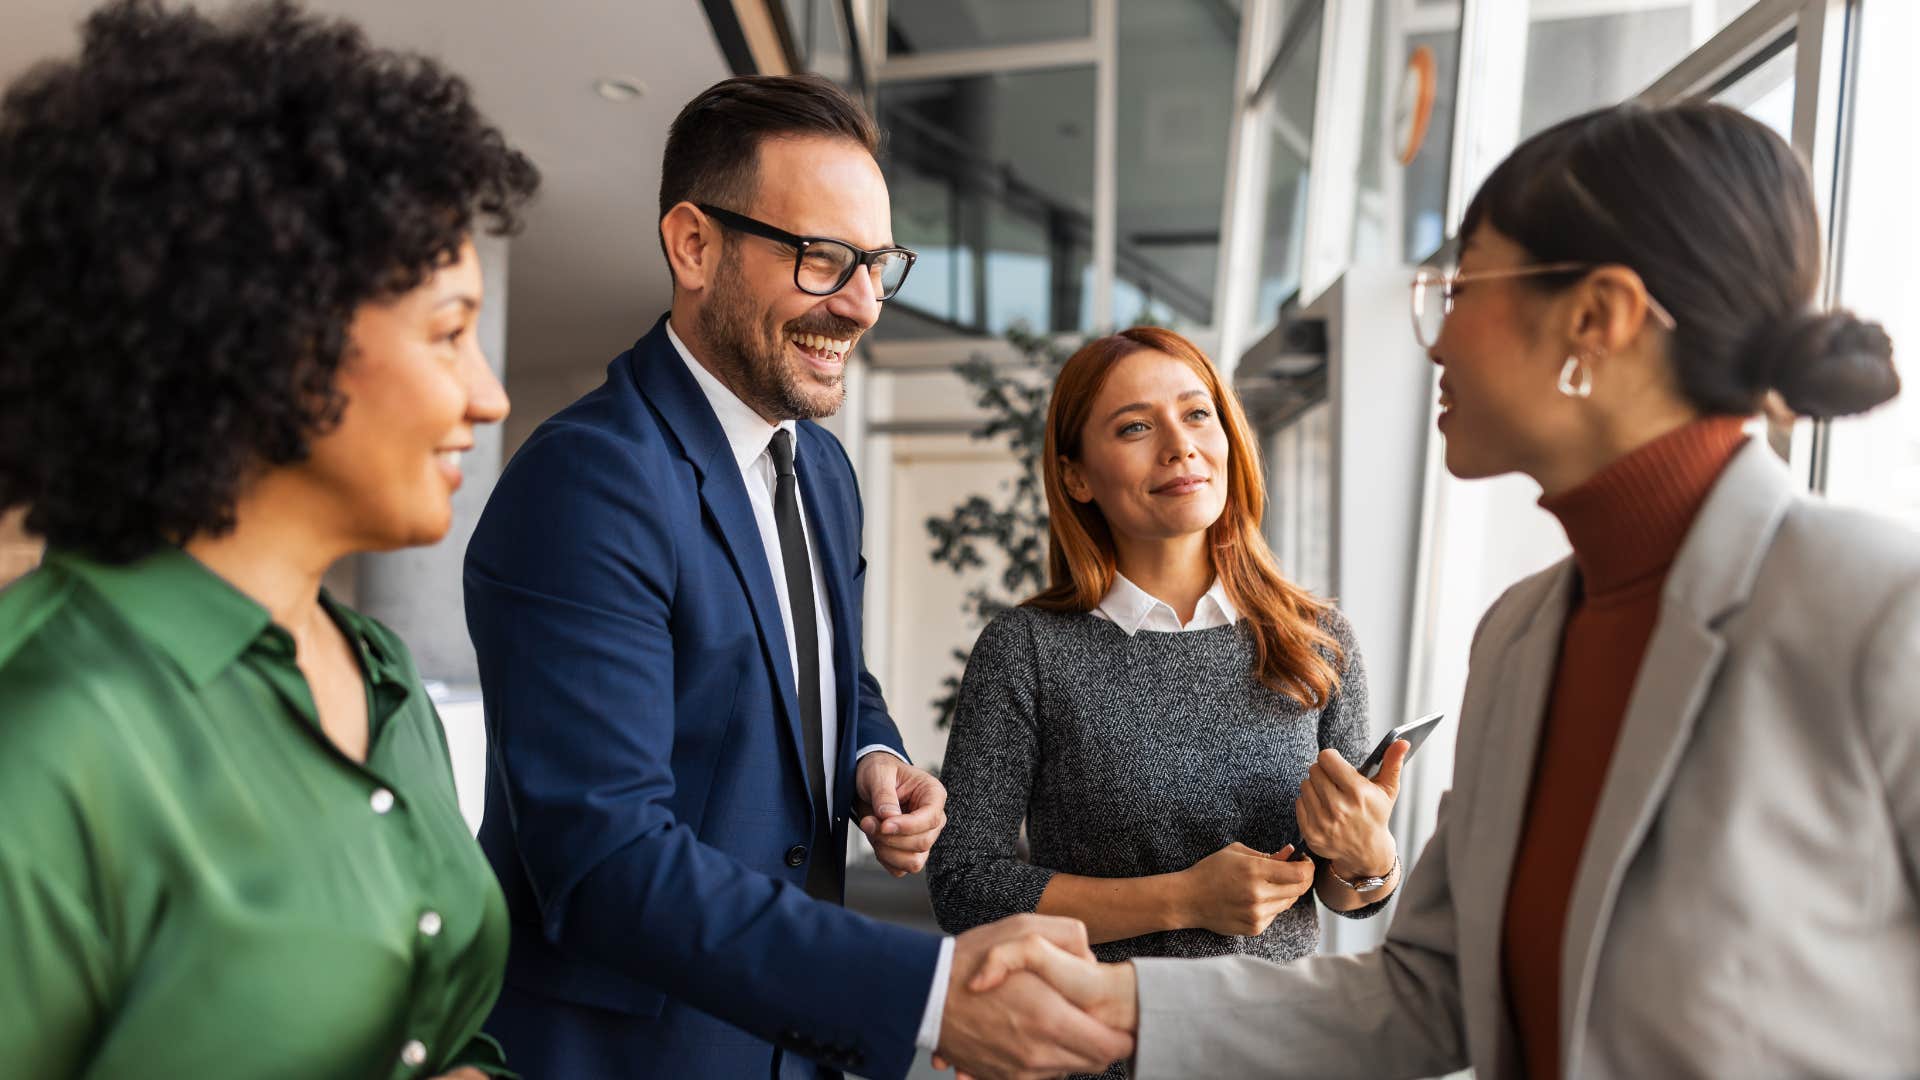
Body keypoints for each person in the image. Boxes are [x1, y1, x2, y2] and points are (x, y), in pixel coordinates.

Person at [963, 101, 1917, 1079]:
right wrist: (1118, 1002)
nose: (1436, 339)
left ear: (1598, 319)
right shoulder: (1519, 636)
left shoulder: (1884, 616)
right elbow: (1434, 991)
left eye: (1463, 288)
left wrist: (1360, 861)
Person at [463, 73, 1132, 1080]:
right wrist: (922, 995)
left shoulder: (819, 468)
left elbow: (822, 672)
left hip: (788, 1050)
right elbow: (604, 859)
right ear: (693, 245)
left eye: (877, 263)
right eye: (824, 260)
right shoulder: (589, 479)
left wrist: (871, 754)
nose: (862, 304)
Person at [0, 2, 540, 1076]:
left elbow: (435, 1030)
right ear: (278, 337)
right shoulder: (48, 731)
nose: (490, 394)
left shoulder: (380, 676)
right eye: (447, 332)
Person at [927, 326, 1405, 1079]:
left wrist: (1371, 859)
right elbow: (966, 884)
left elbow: (1348, 893)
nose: (1179, 446)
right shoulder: (1026, 649)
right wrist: (1182, 900)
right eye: (1135, 427)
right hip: (1090, 1055)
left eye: (1197, 414)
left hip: (1275, 1050)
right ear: (1077, 476)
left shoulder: (1320, 639)